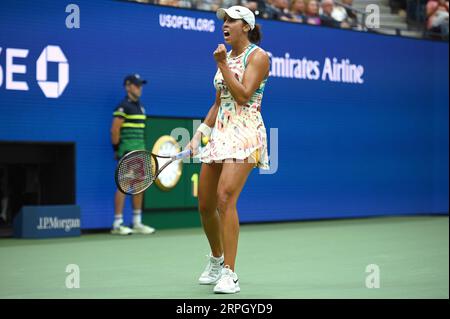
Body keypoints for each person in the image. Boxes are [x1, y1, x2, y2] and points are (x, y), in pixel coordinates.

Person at [186, 5, 270, 294]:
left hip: (246, 133)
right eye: (224, 20)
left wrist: (223, 64)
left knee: (224, 198)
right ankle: (216, 259)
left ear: (245, 26)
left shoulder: (258, 57)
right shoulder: (225, 57)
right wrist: (199, 135)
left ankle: (229, 273)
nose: (225, 24)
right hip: (220, 133)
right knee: (206, 204)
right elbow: (218, 102)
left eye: (232, 20)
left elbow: (244, 95)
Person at [111, 74, 156, 235]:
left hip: (140, 151)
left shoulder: (141, 107)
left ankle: (137, 222)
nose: (139, 88)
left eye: (140, 85)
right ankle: (117, 223)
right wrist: (117, 150)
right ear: (128, 86)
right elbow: (115, 130)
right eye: (136, 85)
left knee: (139, 186)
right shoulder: (123, 107)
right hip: (127, 151)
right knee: (123, 185)